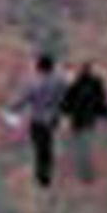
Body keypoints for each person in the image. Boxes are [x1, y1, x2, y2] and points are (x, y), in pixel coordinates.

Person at [8, 52, 68, 189]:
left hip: (38, 119)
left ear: (38, 67)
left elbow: (22, 100)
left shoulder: (34, 83)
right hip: (53, 117)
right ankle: (48, 170)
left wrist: (13, 109)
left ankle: (43, 176)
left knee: (40, 147)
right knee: (48, 144)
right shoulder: (60, 81)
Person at [61, 63, 107, 181]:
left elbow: (66, 102)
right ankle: (87, 171)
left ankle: (84, 172)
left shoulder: (75, 84)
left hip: (77, 121)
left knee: (81, 146)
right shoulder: (96, 82)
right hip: (89, 119)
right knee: (86, 145)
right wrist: (106, 114)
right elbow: (101, 99)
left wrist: (64, 116)